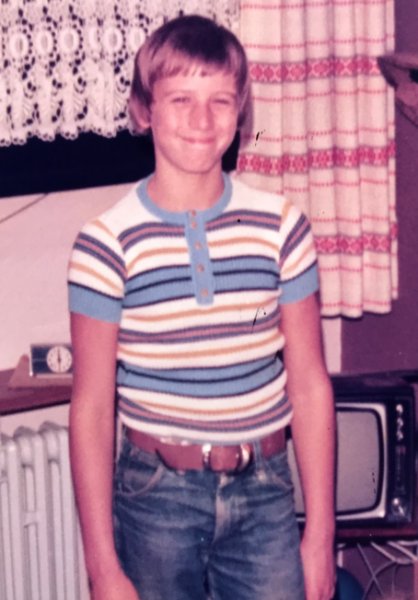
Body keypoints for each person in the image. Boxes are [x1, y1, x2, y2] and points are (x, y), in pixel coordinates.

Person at [68, 14, 336, 600]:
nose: (202, 119)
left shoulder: (282, 226)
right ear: (144, 110)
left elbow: (310, 383)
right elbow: (91, 407)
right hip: (155, 498)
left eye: (220, 101)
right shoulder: (106, 242)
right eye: (181, 99)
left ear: (241, 112)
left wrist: (321, 534)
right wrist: (103, 568)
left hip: (265, 490)